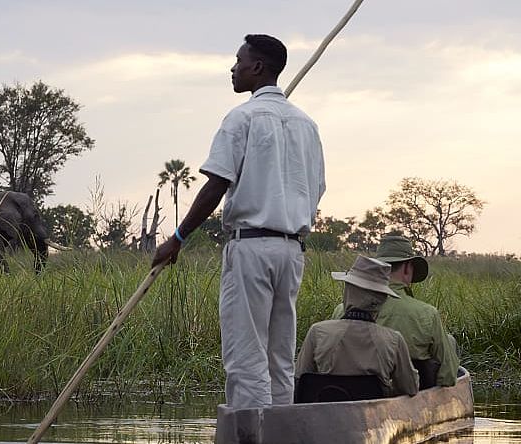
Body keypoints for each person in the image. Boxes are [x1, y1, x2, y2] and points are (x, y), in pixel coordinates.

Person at [152, 34, 326, 409]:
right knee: (279, 357)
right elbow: (317, 189)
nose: (233, 68)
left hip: (251, 249)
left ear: (257, 67)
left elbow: (216, 185)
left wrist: (178, 238)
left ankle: (253, 434)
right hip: (292, 250)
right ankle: (281, 431)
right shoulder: (306, 125)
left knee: (247, 357)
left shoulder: (242, 117)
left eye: (238, 60)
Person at [331, 235, 460, 387]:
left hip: (345, 389)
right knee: (449, 341)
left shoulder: (341, 311)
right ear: (407, 268)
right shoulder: (427, 314)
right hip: (407, 391)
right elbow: (448, 376)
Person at [296, 255, 419, 397]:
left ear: (348, 291)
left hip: (324, 415)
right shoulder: (393, 341)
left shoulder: (318, 332)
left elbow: (299, 381)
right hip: (372, 417)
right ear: (382, 298)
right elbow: (410, 388)